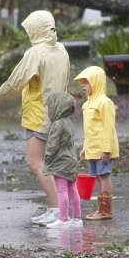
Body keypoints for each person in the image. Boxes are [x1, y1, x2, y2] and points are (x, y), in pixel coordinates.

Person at [0, 10, 69, 225]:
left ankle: (58, 211)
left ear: (36, 29)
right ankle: (59, 210)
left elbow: (16, 82)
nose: (28, 33)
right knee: (48, 163)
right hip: (56, 113)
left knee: (35, 163)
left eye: (30, 28)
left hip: (40, 115)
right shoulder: (61, 49)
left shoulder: (35, 53)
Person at [75, 66, 119, 220]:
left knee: (104, 176)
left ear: (96, 82)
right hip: (92, 149)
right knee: (97, 177)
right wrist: (85, 148)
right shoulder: (87, 104)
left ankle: (106, 210)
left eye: (86, 82)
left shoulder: (105, 103)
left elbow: (108, 127)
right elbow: (89, 130)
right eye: (82, 82)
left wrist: (107, 149)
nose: (83, 85)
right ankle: (101, 209)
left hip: (102, 149)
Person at [43, 91, 83, 229]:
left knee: (61, 190)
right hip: (71, 159)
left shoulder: (57, 124)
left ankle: (63, 219)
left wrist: (47, 158)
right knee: (72, 188)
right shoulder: (69, 122)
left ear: (57, 107)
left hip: (60, 161)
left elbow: (53, 144)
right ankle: (77, 219)